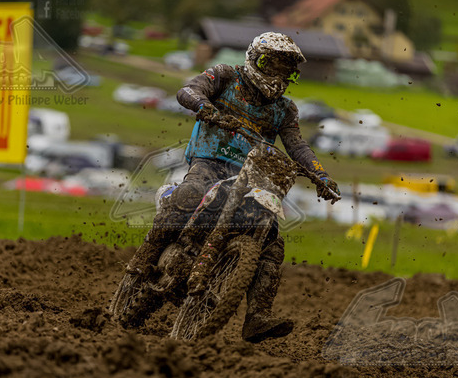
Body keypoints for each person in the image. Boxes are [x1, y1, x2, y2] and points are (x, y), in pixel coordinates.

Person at [125, 32, 339, 343]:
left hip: (251, 175)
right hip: (209, 161)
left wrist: (320, 175)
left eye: (285, 70)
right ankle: (144, 258)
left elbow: (296, 145)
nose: (277, 74)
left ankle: (257, 316)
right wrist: (203, 105)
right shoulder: (226, 76)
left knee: (271, 239)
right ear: (254, 59)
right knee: (190, 194)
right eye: (270, 65)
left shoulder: (285, 109)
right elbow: (188, 90)